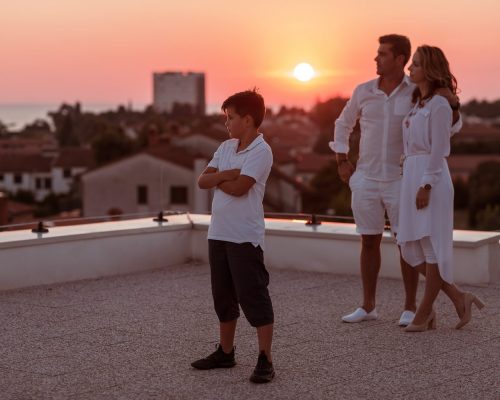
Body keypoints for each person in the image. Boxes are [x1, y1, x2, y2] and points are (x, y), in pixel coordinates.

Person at [330, 34, 462, 326]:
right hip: (365, 177)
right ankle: (367, 306)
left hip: (403, 179)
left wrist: (452, 104)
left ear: (400, 59)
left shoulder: (417, 91)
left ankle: (410, 306)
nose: (376, 58)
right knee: (368, 240)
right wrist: (342, 161)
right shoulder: (363, 91)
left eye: (382, 54)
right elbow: (342, 124)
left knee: (407, 243)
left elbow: (449, 128)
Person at [398, 46, 485, 332]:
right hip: (412, 174)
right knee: (410, 244)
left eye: (416, 64)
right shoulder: (420, 103)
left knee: (431, 247)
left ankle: (424, 313)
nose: (410, 69)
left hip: (429, 178)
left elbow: (439, 148)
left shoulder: (437, 104)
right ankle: (460, 297)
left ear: (430, 70)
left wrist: (426, 184)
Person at [191, 89, 275, 383]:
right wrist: (228, 175)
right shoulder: (226, 148)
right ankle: (226, 353)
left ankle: (265, 359)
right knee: (222, 296)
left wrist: (221, 179)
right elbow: (203, 181)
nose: (226, 123)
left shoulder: (262, 152)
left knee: (253, 296)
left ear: (248, 119)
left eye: (230, 118)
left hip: (244, 237)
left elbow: (242, 189)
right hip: (219, 234)